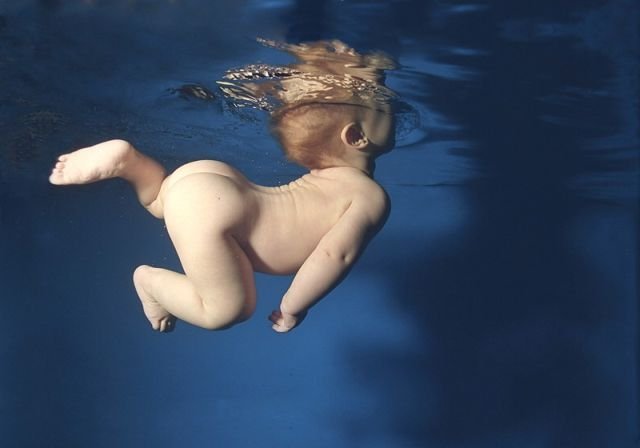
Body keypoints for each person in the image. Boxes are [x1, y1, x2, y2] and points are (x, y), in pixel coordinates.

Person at [48, 40, 396, 334]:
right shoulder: (369, 196)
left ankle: (131, 163)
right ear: (356, 136)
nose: (393, 110)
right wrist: (293, 306)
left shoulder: (326, 180)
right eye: (385, 108)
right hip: (223, 210)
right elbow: (335, 255)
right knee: (227, 311)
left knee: (161, 201)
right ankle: (149, 282)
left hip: (218, 179)